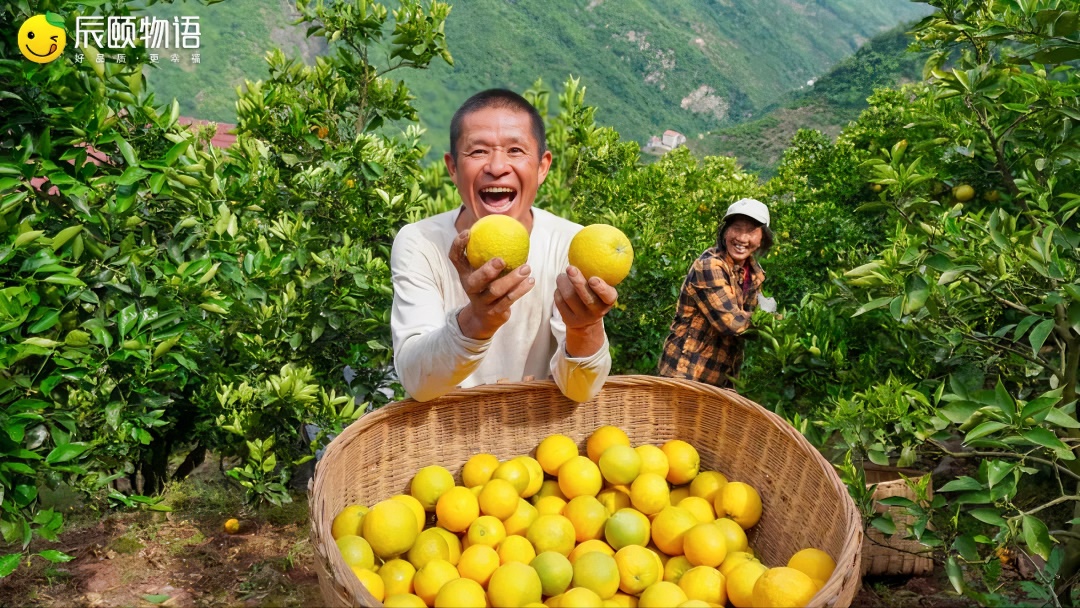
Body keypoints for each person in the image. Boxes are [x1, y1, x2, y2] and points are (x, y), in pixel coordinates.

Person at [390, 89, 618, 403]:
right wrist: (476, 322)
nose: (497, 167)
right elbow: (417, 381)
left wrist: (585, 328)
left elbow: (581, 390)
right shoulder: (421, 243)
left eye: (515, 150)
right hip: (445, 442)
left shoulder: (571, 244)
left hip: (538, 443)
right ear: (453, 167)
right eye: (478, 151)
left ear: (542, 167)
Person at [657, 198, 774, 388]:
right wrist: (777, 322)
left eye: (751, 231)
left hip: (720, 378)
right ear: (725, 231)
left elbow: (751, 323)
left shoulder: (753, 273)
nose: (742, 238)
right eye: (737, 228)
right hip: (686, 374)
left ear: (762, 238)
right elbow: (732, 323)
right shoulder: (710, 265)